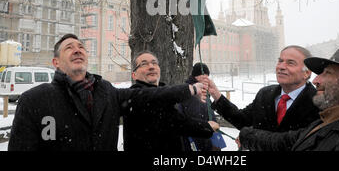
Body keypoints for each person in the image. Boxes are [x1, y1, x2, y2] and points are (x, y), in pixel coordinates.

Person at [8, 34, 205, 151]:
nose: (77, 50)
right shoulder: (34, 100)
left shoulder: (107, 93)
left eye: (81, 47)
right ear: (56, 62)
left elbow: (146, 96)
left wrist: (190, 89)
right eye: (69, 48)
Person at [238, 47, 339, 151]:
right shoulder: (338, 122)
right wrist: (248, 136)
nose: (316, 80)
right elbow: (286, 142)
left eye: (327, 73)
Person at [207, 46, 320, 138]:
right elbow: (242, 120)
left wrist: (251, 139)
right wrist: (216, 96)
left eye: (290, 63)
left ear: (307, 73)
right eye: (280, 61)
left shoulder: (319, 103)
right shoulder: (265, 94)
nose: (281, 67)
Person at [122, 51, 219, 152]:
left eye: (154, 63)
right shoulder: (135, 96)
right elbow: (175, 119)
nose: (151, 66)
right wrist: (191, 90)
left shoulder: (164, 96)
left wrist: (206, 126)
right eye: (144, 64)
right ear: (134, 75)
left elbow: (177, 121)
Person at [179, 62, 224, 151]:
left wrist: (216, 140)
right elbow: (193, 123)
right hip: (196, 143)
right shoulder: (190, 93)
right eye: (203, 76)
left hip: (208, 139)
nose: (206, 79)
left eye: (207, 76)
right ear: (196, 76)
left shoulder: (204, 93)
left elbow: (209, 116)